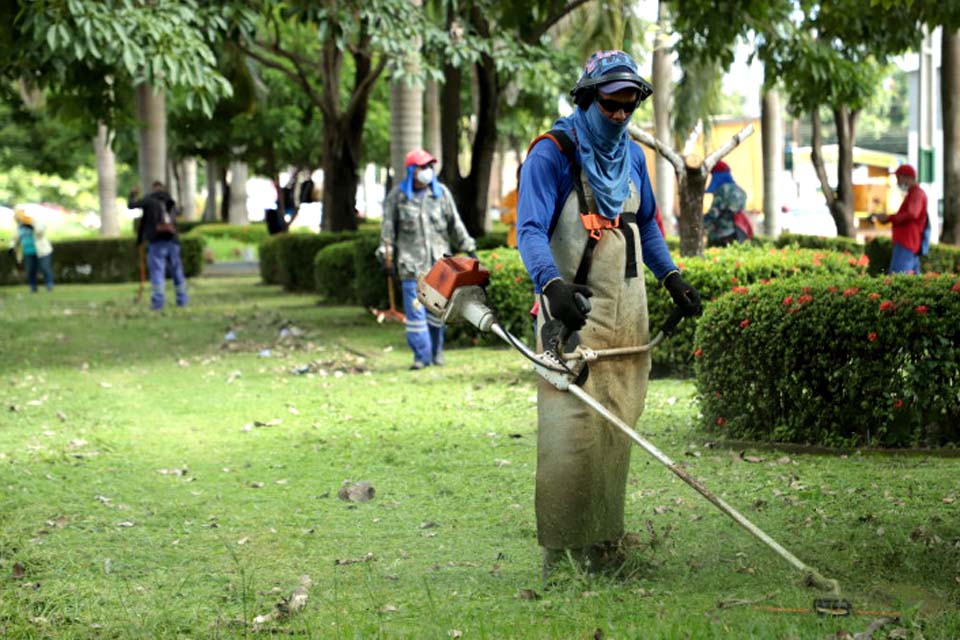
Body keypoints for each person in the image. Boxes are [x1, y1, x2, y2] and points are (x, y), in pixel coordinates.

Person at [517, 50, 702, 579]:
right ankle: (562, 553)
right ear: (585, 98)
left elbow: (645, 226)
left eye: (629, 105)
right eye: (610, 104)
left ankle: (603, 542)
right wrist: (550, 284)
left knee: (615, 430)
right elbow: (529, 230)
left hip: (627, 316)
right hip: (571, 311)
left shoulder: (633, 158)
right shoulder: (552, 153)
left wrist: (672, 278)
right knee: (570, 434)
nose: (620, 115)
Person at [378, 149, 477, 370]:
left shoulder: (441, 193)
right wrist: (385, 257)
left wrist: (469, 248)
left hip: (439, 267)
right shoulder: (398, 197)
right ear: (412, 171)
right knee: (415, 316)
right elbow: (387, 231)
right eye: (423, 167)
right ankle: (421, 357)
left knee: (437, 313)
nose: (427, 171)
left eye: (430, 167)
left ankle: (436, 351)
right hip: (411, 267)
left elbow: (455, 225)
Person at [129, 181, 188, 309]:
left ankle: (158, 302)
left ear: (153, 189)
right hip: (173, 241)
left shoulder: (149, 200)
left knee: (157, 272)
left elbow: (131, 205)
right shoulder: (170, 201)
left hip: (156, 242)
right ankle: (182, 300)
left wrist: (133, 194)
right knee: (177, 272)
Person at [871, 164, 929, 274]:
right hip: (909, 242)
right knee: (914, 280)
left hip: (907, 242)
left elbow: (913, 213)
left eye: (898, 178)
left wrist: (889, 218)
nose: (897, 182)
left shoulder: (916, 193)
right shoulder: (913, 193)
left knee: (897, 277)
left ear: (907, 177)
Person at [702, 161, 752, 247]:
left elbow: (714, 213)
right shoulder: (740, 191)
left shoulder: (722, 190)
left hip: (721, 234)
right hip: (737, 232)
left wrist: (700, 224)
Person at [12, 208, 54, 292]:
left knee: (44, 268)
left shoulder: (34, 222)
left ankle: (49, 285)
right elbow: (16, 238)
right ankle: (33, 287)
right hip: (28, 251)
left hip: (42, 251)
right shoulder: (19, 227)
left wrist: (32, 224)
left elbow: (40, 231)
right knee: (31, 270)